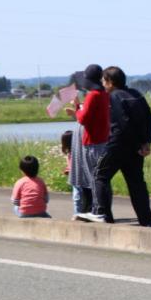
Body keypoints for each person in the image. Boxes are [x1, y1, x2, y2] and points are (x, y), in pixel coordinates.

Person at [80, 67, 151, 226]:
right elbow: (150, 119)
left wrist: (134, 143)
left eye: (103, 80)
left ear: (110, 82)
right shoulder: (136, 94)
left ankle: (103, 214)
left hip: (117, 145)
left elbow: (123, 124)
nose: (102, 83)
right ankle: (146, 220)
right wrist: (145, 142)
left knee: (99, 175)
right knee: (136, 183)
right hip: (136, 149)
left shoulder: (114, 96)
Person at [68, 64, 109, 221]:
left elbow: (83, 118)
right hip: (102, 140)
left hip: (92, 141)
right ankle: (101, 211)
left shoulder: (93, 95)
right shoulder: (104, 93)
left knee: (94, 178)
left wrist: (77, 108)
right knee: (100, 177)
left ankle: (97, 211)